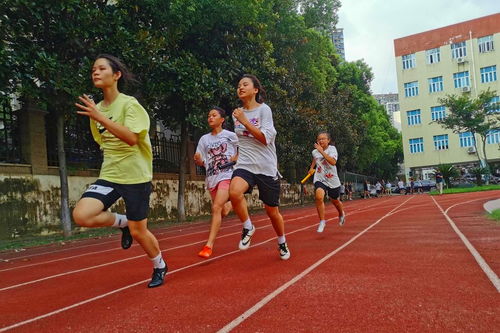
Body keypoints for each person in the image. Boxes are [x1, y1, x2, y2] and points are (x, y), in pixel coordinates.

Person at [73, 54, 166, 288]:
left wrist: (100, 117)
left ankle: (159, 265)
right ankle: (122, 222)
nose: (95, 72)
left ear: (116, 75)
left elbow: (132, 138)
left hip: (136, 176)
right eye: (93, 68)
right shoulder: (97, 110)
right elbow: (103, 142)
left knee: (139, 232)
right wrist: (98, 116)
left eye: (102, 68)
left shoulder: (129, 105)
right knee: (82, 215)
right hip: (111, 174)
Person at [229, 74, 290, 260]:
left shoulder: (264, 110)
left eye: (245, 84)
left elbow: (264, 139)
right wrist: (236, 156)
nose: (240, 87)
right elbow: (243, 142)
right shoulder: (237, 113)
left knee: (272, 212)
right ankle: (248, 226)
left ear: (255, 90)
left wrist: (245, 121)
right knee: (234, 192)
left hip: (266, 167)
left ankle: (282, 242)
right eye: (239, 85)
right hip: (245, 164)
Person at [194, 107, 238, 258]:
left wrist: (236, 156)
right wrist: (199, 160)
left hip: (227, 174)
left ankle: (208, 245)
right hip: (211, 177)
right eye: (209, 115)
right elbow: (200, 159)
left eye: (214, 115)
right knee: (223, 210)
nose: (210, 118)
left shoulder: (231, 136)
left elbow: (246, 147)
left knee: (216, 207)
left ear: (222, 119)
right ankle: (233, 202)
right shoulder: (204, 139)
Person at [308, 132, 346, 233]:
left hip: (332, 179)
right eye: (319, 139)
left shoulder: (332, 149)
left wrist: (321, 152)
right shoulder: (315, 152)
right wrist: (312, 168)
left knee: (335, 201)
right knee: (319, 197)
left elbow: (333, 162)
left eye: (323, 139)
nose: (321, 141)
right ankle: (322, 221)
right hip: (320, 178)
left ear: (328, 140)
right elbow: (315, 159)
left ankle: (341, 213)